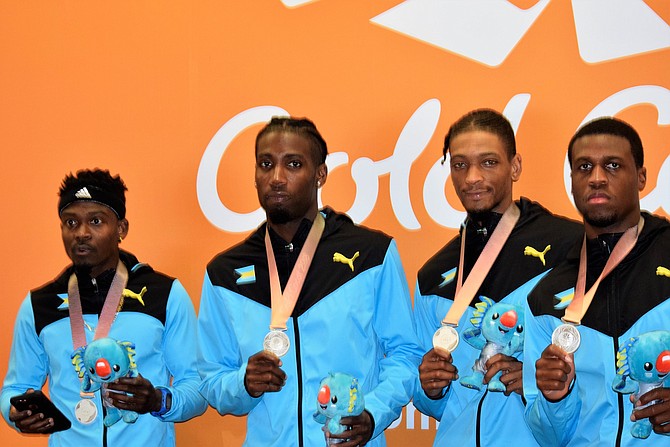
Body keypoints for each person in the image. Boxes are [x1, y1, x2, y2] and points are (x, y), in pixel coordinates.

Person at [197, 116, 423, 446]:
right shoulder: (224, 272)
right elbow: (212, 377)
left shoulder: (371, 253)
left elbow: (405, 353)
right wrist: (242, 384)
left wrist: (372, 413)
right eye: (265, 164)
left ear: (320, 174)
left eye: (293, 164)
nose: (276, 178)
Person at [413, 109, 582, 446]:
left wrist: (537, 383)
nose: (472, 177)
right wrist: (429, 388)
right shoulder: (433, 274)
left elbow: (599, 368)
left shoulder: (571, 248)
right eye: (460, 164)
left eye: (488, 162)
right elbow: (430, 399)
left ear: (514, 166)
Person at [1, 169, 206, 445]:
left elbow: (196, 386)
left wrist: (158, 400)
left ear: (121, 229)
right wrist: (14, 412)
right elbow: (14, 388)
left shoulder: (164, 294)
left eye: (96, 221)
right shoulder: (39, 305)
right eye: (71, 222)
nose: (82, 233)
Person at [523, 117, 670, 446]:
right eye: (584, 167)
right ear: (572, 180)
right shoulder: (545, 296)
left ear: (642, 176)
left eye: (613, 165)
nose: (597, 178)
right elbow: (547, 437)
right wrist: (554, 399)